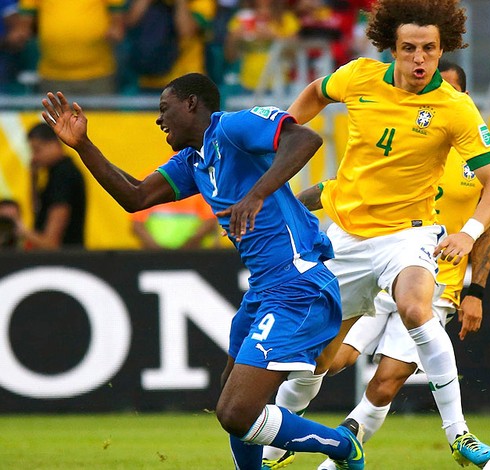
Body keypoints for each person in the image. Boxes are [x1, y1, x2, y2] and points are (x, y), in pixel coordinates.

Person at [40, 72, 365, 470]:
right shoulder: (195, 161)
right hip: (264, 289)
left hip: (298, 283)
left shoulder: (231, 127)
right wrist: (83, 146)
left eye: (165, 109)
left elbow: (305, 140)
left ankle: (343, 446)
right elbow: (135, 196)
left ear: (192, 104)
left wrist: (256, 194)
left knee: (236, 412)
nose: (159, 120)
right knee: (233, 405)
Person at [259, 1, 490, 468]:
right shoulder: (359, 77)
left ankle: (460, 437)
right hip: (347, 237)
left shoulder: (454, 107)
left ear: (443, 49)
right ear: (392, 48)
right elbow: (316, 92)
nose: (420, 59)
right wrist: (282, 134)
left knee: (416, 308)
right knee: (318, 358)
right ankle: (274, 447)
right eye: (409, 49)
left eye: (429, 50)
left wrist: (470, 234)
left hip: (408, 236)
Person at [303, 61, 490, 470]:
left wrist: (474, 290)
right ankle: (282, 443)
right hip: (377, 260)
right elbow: (336, 189)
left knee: (387, 380)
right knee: (332, 358)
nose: (427, 89)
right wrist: (276, 204)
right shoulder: (402, 142)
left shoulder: (470, 153)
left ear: (462, 96)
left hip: (434, 279)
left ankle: (341, 450)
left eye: (447, 87)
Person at [9, 0, 125, 95]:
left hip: (99, 74)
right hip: (53, 75)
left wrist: (116, 27)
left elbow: (117, 14)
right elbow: (26, 17)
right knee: (55, 123)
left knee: (102, 123)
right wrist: (21, 31)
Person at [125, 0, 215, 94]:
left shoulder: (203, 3)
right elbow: (131, 21)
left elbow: (185, 31)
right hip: (150, 79)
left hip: (184, 82)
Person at [24, 122, 86, 249]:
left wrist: (20, 230)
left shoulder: (63, 175)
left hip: (64, 259)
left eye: (37, 150)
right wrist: (33, 179)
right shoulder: (53, 173)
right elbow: (38, 211)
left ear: (54, 144)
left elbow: (51, 242)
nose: (34, 157)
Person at [224, 0, 300, 92]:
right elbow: (229, 56)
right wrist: (234, 37)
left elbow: (295, 54)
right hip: (248, 84)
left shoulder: (286, 18)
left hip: (279, 85)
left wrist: (274, 36)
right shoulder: (243, 17)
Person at [131, 193, 221, 249]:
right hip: (156, 259)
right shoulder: (150, 181)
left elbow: (210, 221)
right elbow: (137, 225)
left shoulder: (200, 184)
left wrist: (189, 245)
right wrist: (158, 251)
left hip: (194, 256)